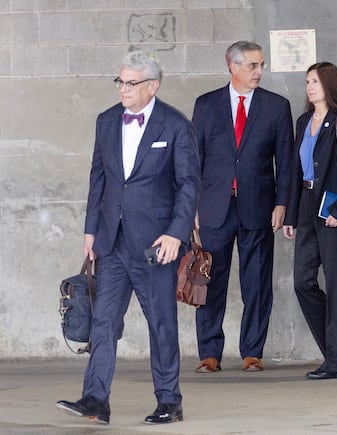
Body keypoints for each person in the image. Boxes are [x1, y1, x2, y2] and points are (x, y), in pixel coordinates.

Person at [56, 50, 201, 425]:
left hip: (156, 245)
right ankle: (95, 399)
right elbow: (98, 179)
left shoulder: (175, 125)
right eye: (119, 81)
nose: (123, 88)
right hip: (112, 241)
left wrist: (175, 233)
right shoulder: (106, 121)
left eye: (131, 82)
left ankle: (170, 400)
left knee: (161, 323)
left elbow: (188, 185)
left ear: (152, 86)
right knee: (103, 321)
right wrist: (90, 229)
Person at [191, 40, 293, 373]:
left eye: (261, 65)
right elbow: (194, 160)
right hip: (214, 208)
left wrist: (283, 204)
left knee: (257, 282)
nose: (259, 71)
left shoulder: (277, 107)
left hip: (259, 207)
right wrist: (190, 206)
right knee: (209, 281)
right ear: (232, 66)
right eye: (253, 65)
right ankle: (209, 352)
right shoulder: (206, 105)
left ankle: (252, 351)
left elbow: (287, 163)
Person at [283, 62, 337, 380]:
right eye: (307, 82)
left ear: (329, 84)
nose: (310, 87)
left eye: (315, 81)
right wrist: (289, 214)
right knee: (303, 281)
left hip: (333, 208)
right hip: (306, 205)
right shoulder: (303, 121)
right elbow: (294, 170)